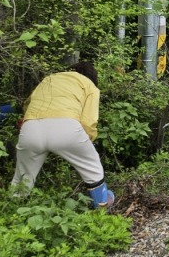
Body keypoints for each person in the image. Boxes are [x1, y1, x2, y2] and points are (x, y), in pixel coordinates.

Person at [11, 62, 115, 209]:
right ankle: (102, 206)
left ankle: (12, 213)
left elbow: (28, 105)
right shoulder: (89, 85)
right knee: (93, 169)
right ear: (92, 77)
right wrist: (87, 141)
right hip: (66, 127)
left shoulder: (49, 79)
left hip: (31, 127)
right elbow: (88, 121)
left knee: (22, 177)